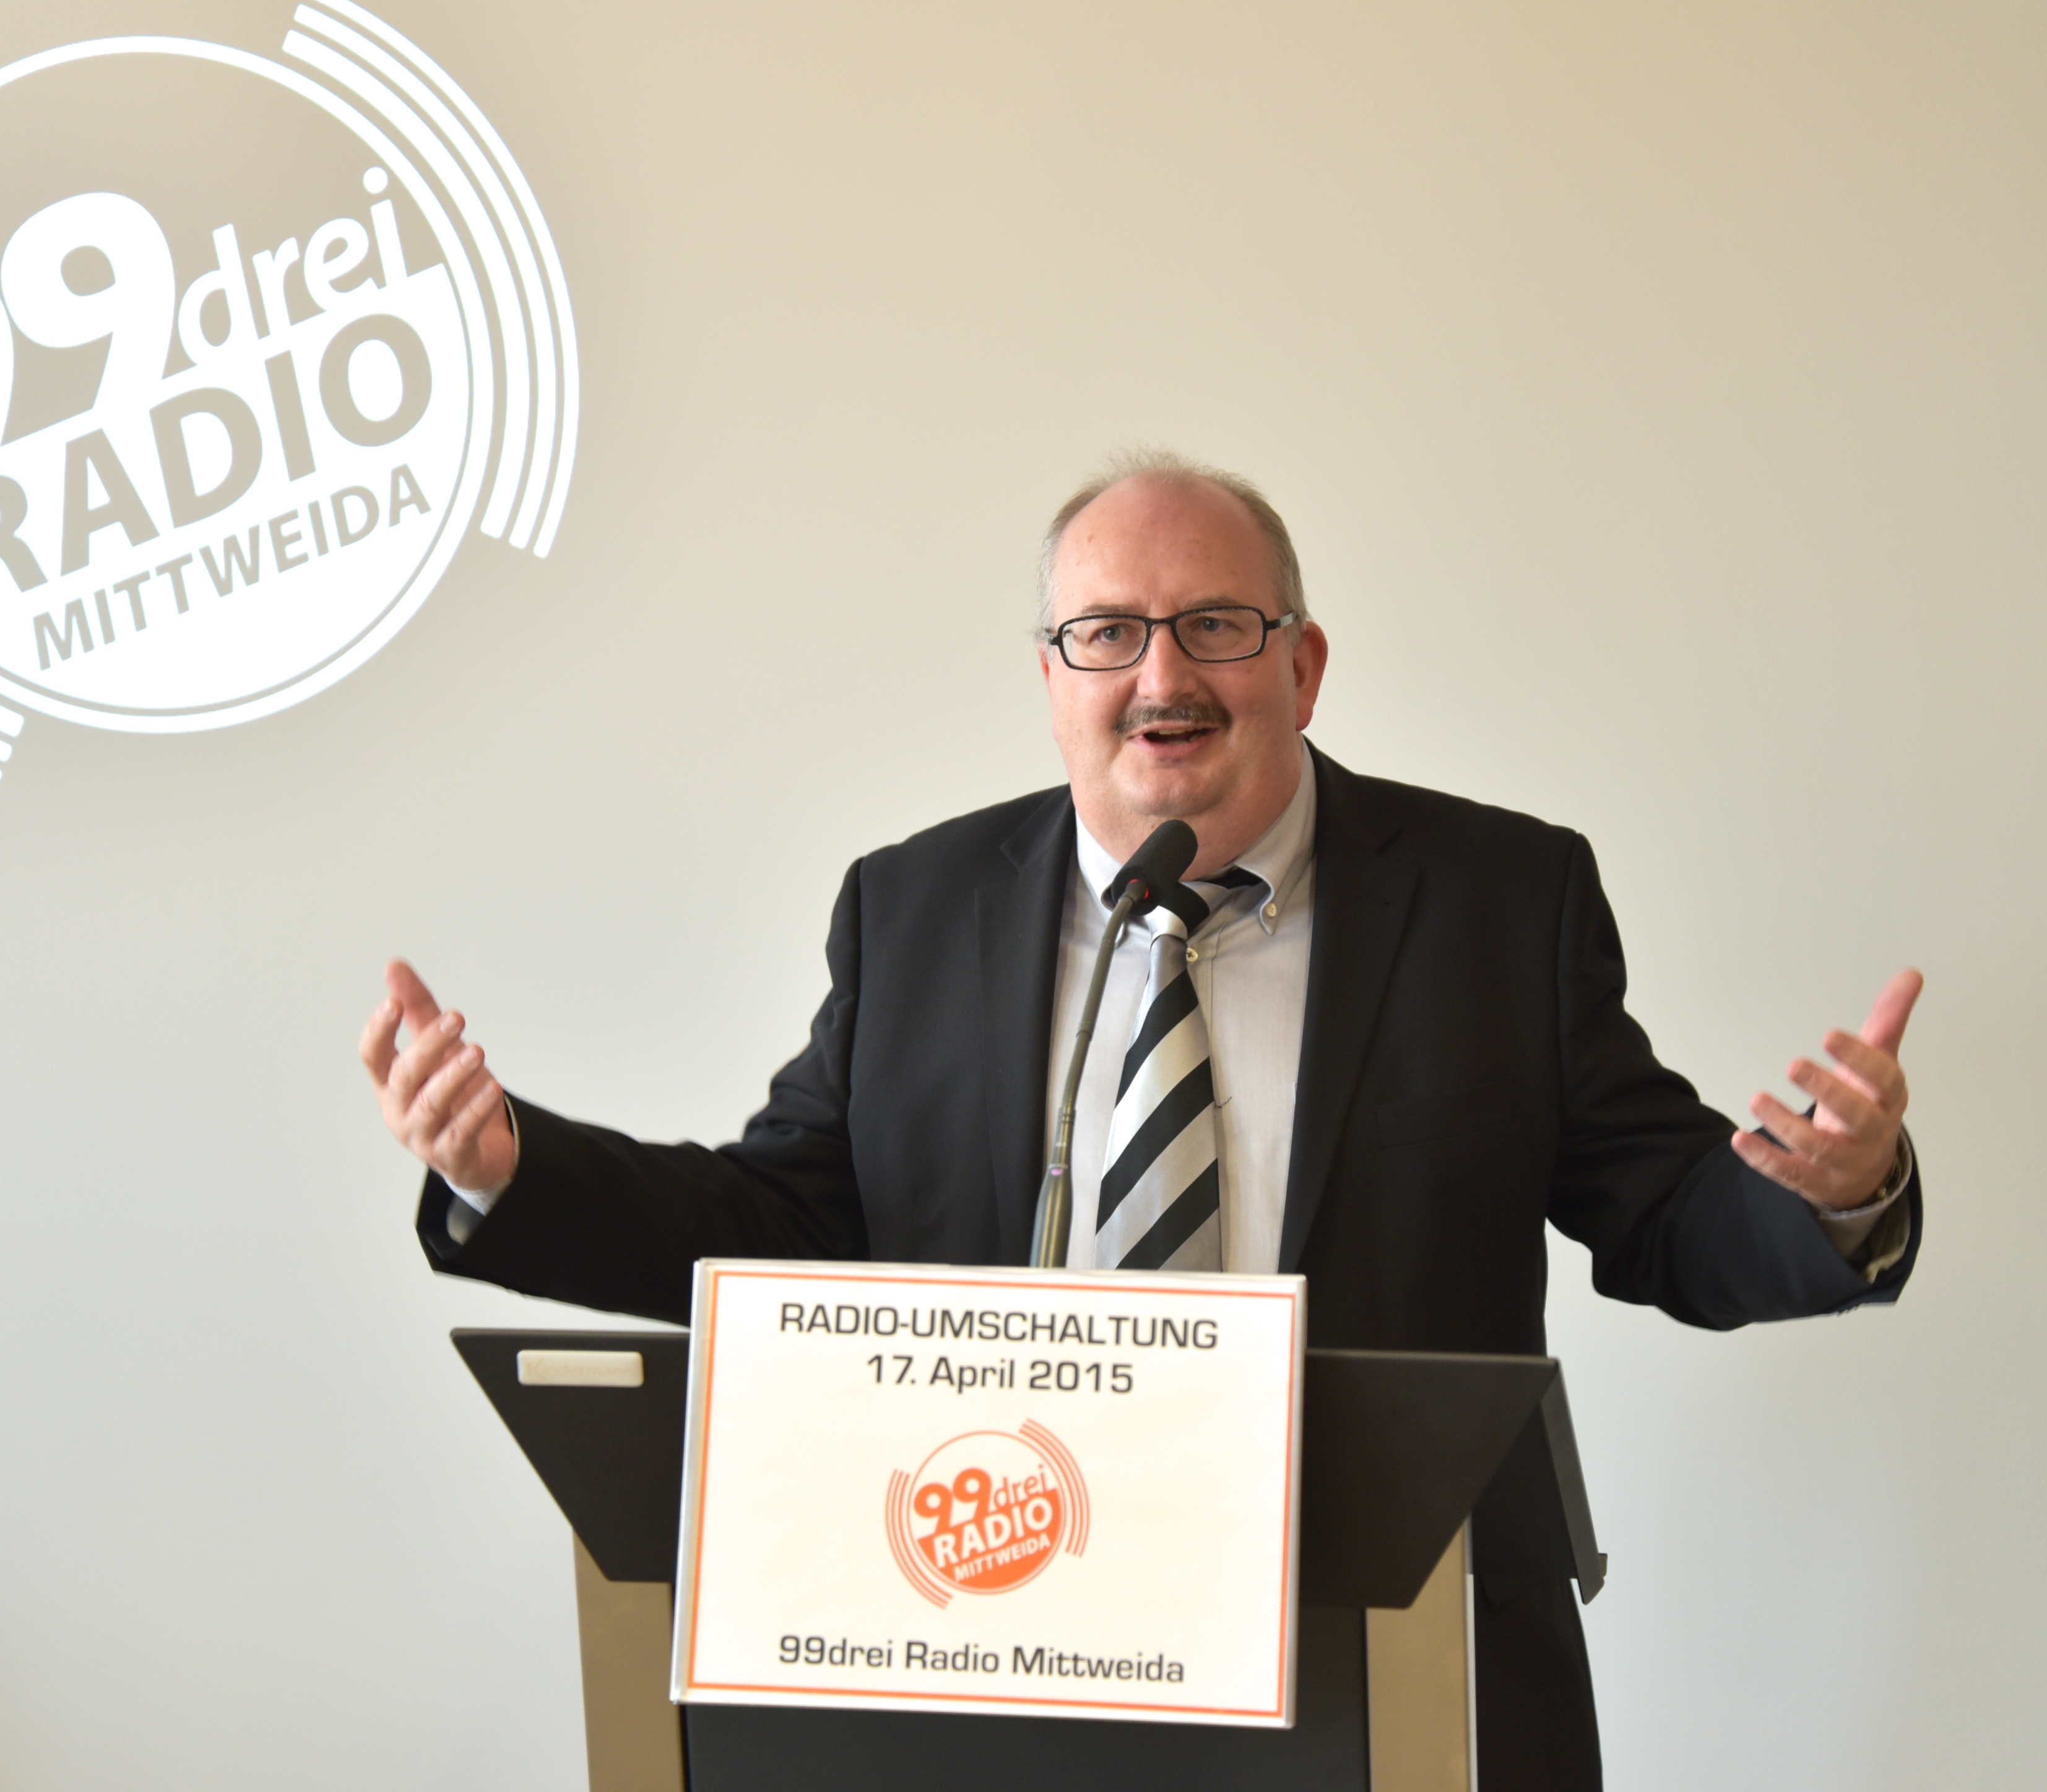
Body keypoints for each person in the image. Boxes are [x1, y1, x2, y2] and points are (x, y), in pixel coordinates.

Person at [361, 449, 1923, 1790]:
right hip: (1004, 1650)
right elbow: (783, 1220)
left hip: (1399, 1651)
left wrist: (1830, 1190)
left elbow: (1664, 1212)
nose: (1163, 678)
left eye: (1217, 626)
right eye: (1108, 632)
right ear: (1052, 677)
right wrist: (515, 1171)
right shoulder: (915, 910)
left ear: (1304, 665)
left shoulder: (1499, 900)